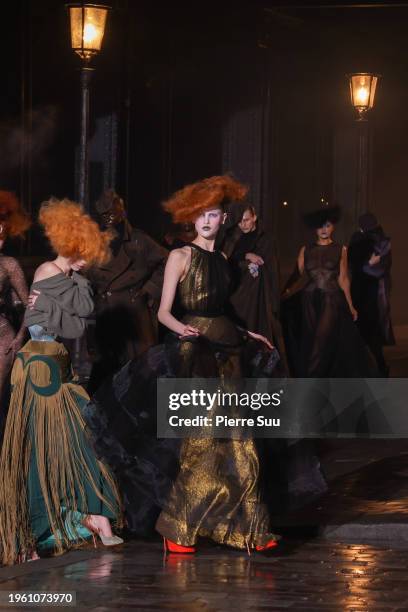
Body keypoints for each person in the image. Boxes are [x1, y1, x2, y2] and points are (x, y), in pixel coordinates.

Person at [86, 176, 281, 552]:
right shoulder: (180, 256)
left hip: (230, 352)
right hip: (195, 356)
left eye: (213, 215)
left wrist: (248, 333)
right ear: (192, 221)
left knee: (240, 442)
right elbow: (162, 312)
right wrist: (184, 330)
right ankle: (176, 529)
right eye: (200, 216)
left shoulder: (224, 261)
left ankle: (250, 530)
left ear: (223, 218)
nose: (207, 222)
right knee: (202, 444)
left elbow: (222, 311)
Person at [0, 198, 123, 565]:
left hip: (57, 364)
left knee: (76, 438)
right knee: (40, 446)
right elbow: (74, 322)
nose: (89, 260)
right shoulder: (46, 271)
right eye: (85, 252)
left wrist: (69, 304)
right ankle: (38, 529)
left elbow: (82, 315)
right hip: (38, 365)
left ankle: (83, 515)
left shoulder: (74, 279)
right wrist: (64, 310)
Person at [86, 189, 168, 393]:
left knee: (140, 372)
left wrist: (149, 289)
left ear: (121, 210)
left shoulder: (139, 240)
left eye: (112, 211)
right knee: (105, 374)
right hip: (106, 314)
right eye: (104, 214)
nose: (109, 216)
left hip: (134, 313)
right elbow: (87, 275)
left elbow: (167, 262)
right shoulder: (95, 243)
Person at [283, 205, 376, 377]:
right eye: (320, 226)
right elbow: (297, 276)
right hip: (309, 301)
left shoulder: (341, 250)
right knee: (311, 341)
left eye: (327, 225)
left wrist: (350, 305)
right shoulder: (306, 250)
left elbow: (343, 279)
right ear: (315, 229)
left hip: (331, 301)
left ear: (333, 226)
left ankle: (309, 381)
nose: (324, 229)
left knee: (321, 341)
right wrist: (284, 293)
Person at [222, 204, 289, 375]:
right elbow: (224, 259)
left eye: (246, 220)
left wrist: (274, 302)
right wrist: (245, 256)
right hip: (235, 296)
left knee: (258, 336)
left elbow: (271, 269)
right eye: (240, 221)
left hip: (258, 298)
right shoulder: (232, 236)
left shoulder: (265, 239)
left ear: (254, 217)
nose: (243, 224)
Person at [348, 212, 395, 376]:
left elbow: (357, 266)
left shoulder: (372, 241)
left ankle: (375, 367)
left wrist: (365, 266)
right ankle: (377, 367)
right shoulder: (380, 241)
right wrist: (368, 264)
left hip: (367, 292)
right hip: (371, 292)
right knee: (369, 333)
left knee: (365, 331)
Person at [0, 191, 30, 409]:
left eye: (2, 231)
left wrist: (20, 337)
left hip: (3, 340)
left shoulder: (9, 264)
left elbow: (31, 305)